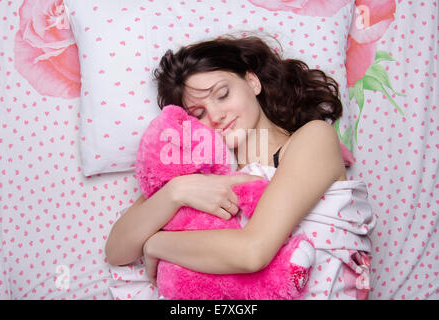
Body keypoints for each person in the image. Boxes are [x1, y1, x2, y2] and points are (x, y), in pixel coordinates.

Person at [105, 35, 375, 300]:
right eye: (198, 113)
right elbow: (117, 250)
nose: (216, 116)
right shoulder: (197, 174)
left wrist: (156, 244)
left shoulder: (312, 139)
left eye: (222, 94)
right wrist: (176, 191)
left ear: (252, 81)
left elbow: (253, 252)